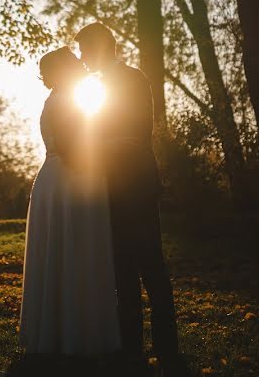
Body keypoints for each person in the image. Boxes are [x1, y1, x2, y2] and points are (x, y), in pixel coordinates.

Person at [74, 22, 186, 375]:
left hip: (135, 183)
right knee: (121, 270)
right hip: (111, 187)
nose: (82, 58)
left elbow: (137, 133)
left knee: (150, 265)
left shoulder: (134, 79)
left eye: (84, 51)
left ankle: (168, 349)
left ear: (100, 48)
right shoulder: (95, 86)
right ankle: (131, 349)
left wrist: (96, 145)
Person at [18, 46, 121, 356]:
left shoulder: (59, 99)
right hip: (69, 179)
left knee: (62, 253)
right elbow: (74, 146)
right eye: (75, 63)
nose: (82, 66)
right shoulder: (65, 101)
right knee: (75, 252)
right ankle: (76, 336)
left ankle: (57, 331)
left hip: (57, 178)